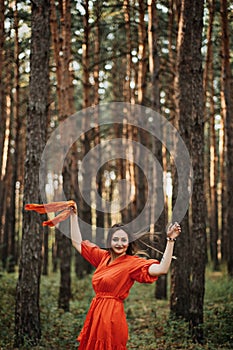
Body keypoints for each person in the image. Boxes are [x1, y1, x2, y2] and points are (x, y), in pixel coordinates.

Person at [70, 203, 181, 350]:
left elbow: (162, 269)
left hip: (112, 318)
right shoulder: (103, 257)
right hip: (96, 314)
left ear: (129, 243)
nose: (119, 244)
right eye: (116, 239)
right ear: (109, 241)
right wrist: (72, 216)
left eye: (124, 240)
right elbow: (77, 243)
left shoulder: (132, 263)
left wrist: (170, 240)